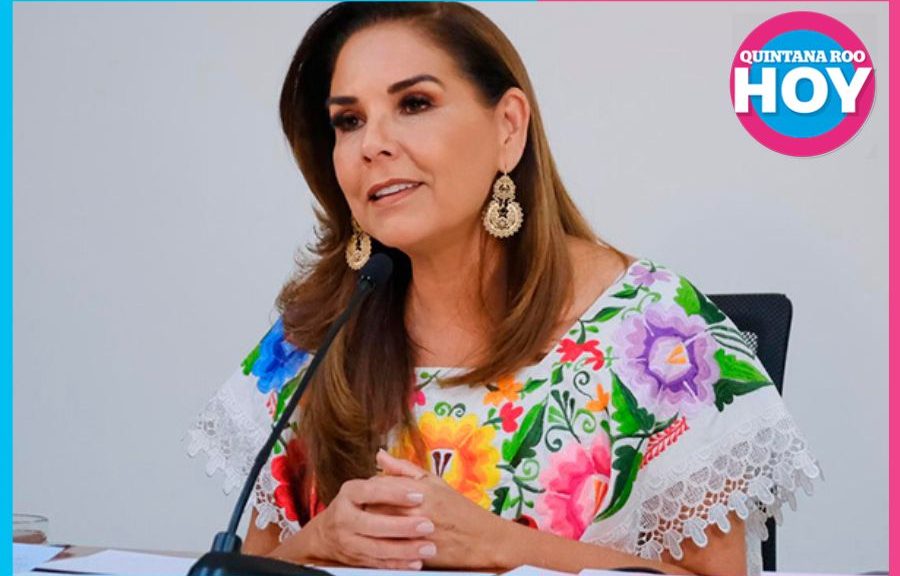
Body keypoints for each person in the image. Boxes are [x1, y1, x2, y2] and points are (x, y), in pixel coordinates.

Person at [186, 3, 820, 575]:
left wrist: (501, 546)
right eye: (348, 121)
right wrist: (320, 541)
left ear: (508, 128)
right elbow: (244, 570)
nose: (371, 145)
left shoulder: (653, 330)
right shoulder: (315, 338)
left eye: (414, 104)